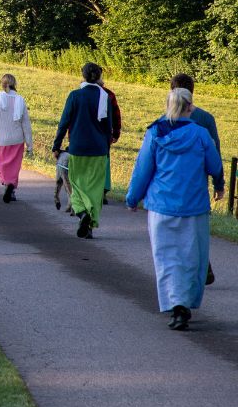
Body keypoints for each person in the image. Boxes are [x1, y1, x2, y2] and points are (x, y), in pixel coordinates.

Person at [126, 87, 223, 330]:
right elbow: (214, 165)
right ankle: (186, 304)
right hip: (194, 206)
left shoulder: (154, 132)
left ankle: (175, 305)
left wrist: (132, 198)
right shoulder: (200, 134)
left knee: (166, 257)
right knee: (192, 256)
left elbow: (143, 168)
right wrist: (217, 182)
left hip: (162, 206)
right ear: (190, 106)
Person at [170, 73, 223, 285]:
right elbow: (215, 155)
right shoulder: (206, 119)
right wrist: (219, 184)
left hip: (171, 185)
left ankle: (184, 275)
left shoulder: (166, 121)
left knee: (175, 231)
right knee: (196, 228)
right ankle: (203, 264)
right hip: (197, 184)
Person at [52, 62, 114, 239]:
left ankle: (82, 214)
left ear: (83, 75)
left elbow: (64, 122)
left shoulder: (75, 96)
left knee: (77, 186)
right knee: (94, 189)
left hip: (77, 149)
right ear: (99, 76)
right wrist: (106, 148)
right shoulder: (105, 98)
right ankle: (90, 227)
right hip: (99, 150)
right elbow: (108, 128)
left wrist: (56, 146)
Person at [0, 73, 34, 203]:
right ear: (14, 84)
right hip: (17, 139)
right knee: (14, 167)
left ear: (2, 84)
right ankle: (11, 188)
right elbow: (26, 124)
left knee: (0, 165)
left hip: (0, 139)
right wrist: (29, 144)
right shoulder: (20, 100)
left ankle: (7, 184)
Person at [100, 73, 122, 205]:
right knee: (104, 163)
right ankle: (102, 190)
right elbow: (116, 115)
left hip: (85, 136)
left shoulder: (80, 93)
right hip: (104, 135)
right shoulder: (109, 94)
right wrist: (116, 133)